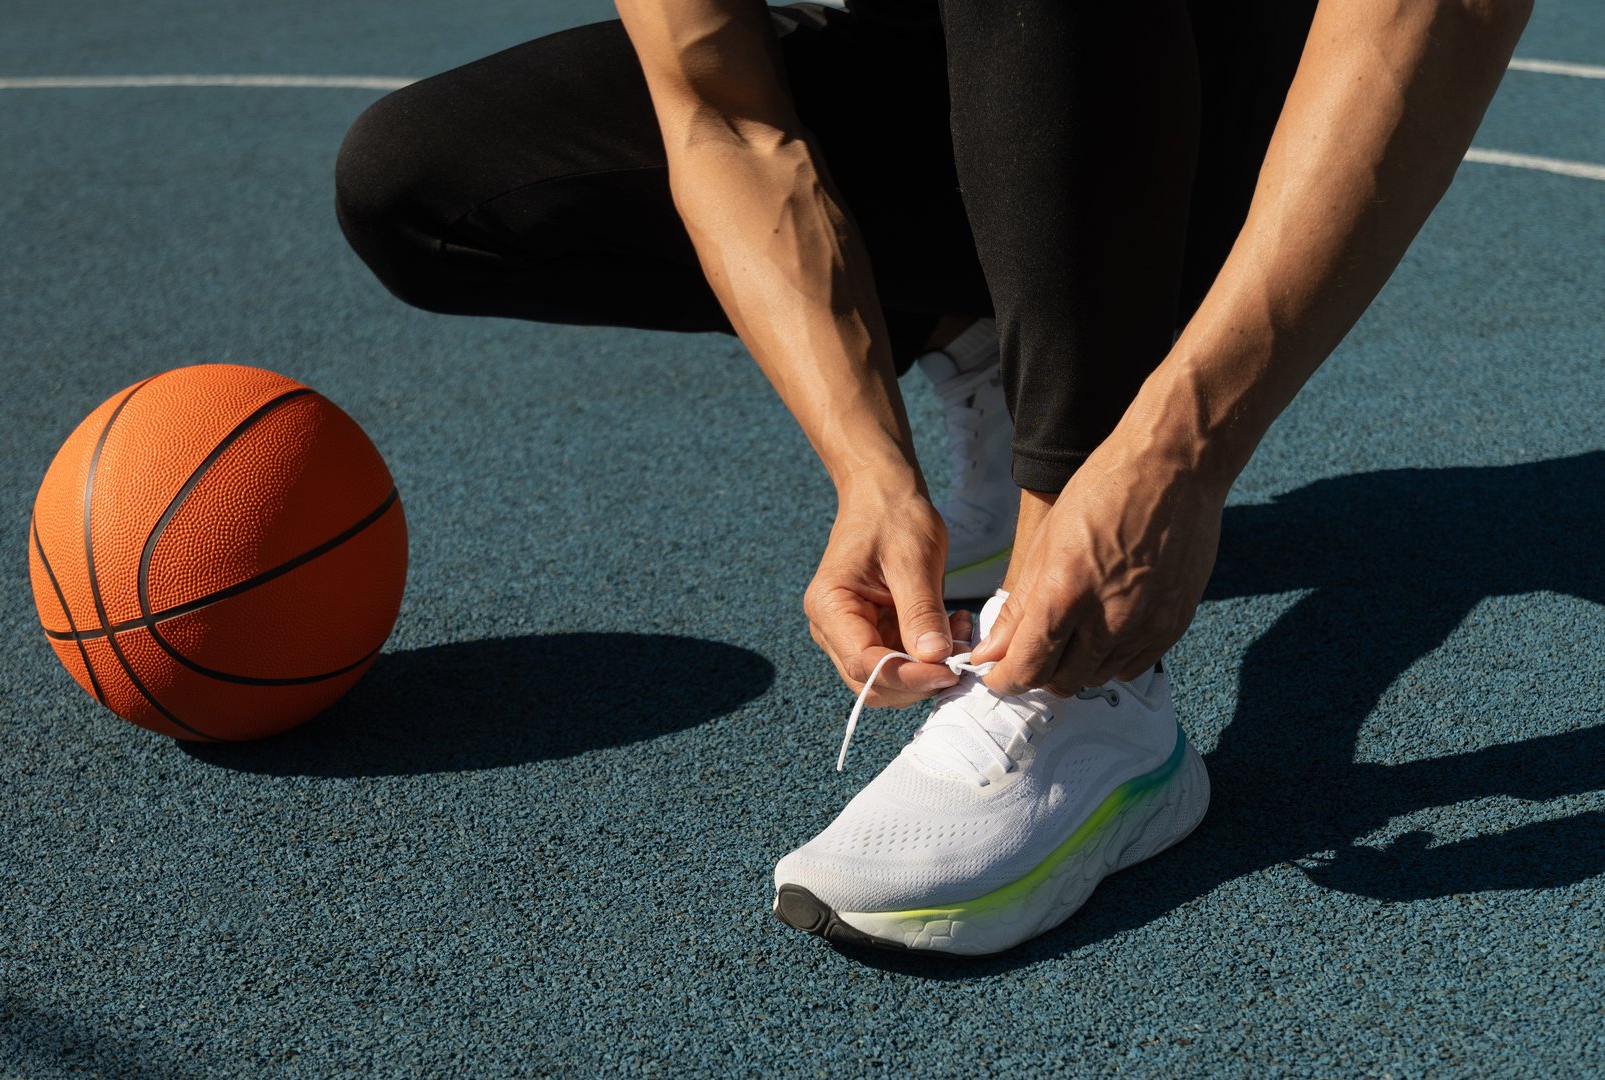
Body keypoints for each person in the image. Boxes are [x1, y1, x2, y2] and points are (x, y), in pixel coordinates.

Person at [333, 0, 1531, 954]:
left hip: (1246, 91)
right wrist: (869, 467)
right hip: (1005, 83)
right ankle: (1001, 358)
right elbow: (720, 115)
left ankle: (1098, 694)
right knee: (428, 181)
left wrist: (1177, 457)